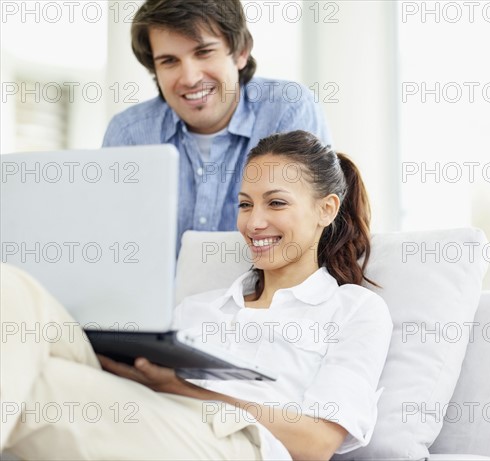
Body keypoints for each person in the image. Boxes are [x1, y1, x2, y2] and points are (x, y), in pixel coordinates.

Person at [1, 131, 392, 460]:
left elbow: (318, 444)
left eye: (276, 202)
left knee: (42, 386)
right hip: (158, 414)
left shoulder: (354, 310)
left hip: (239, 443)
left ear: (326, 209)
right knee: (15, 297)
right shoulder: (197, 308)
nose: (254, 223)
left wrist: (177, 387)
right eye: (245, 204)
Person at [102, 0, 332, 253]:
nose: (190, 78)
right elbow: (117, 245)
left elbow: (305, 237)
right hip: (158, 294)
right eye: (169, 61)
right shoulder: (129, 133)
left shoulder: (287, 110)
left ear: (241, 52)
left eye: (204, 52)